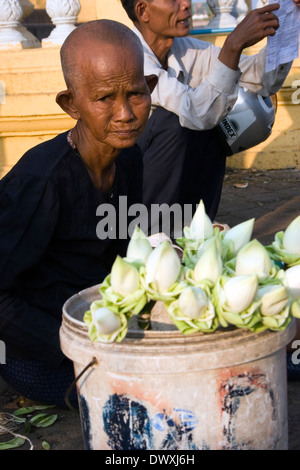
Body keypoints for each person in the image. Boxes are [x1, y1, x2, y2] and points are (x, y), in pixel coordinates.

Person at [0, 20, 156, 408]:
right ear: (72, 104)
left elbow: (119, 254)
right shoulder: (42, 182)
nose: (125, 114)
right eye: (104, 98)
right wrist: (77, 348)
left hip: (98, 319)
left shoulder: (129, 157)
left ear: (150, 89)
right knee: (132, 396)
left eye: (135, 94)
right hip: (38, 344)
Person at [120, 0, 300, 235]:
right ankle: (150, 233)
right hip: (126, 185)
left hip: (162, 172)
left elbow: (260, 80)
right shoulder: (131, 59)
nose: (186, 4)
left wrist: (287, 23)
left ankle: (195, 225)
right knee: (175, 121)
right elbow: (196, 112)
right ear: (143, 11)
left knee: (217, 124)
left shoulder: (186, 49)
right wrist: (233, 45)